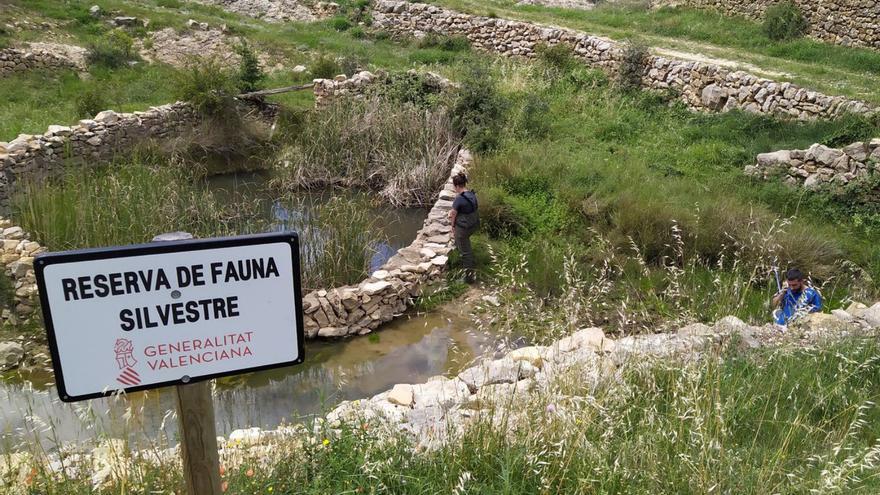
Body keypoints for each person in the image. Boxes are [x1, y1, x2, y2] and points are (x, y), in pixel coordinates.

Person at [448, 172, 479, 283]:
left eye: (454, 187)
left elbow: (453, 214)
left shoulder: (459, 199)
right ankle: (462, 256)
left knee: (466, 253)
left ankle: (469, 278)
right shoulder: (472, 194)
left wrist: (452, 226)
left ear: (456, 186)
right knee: (464, 247)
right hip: (473, 225)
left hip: (464, 229)